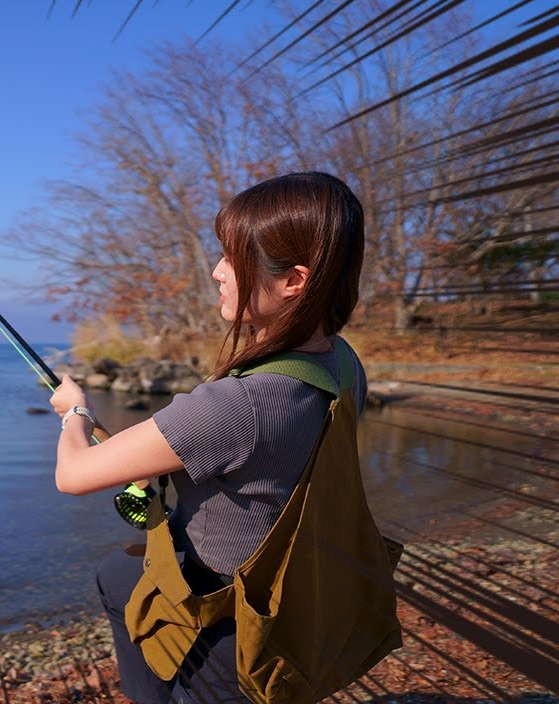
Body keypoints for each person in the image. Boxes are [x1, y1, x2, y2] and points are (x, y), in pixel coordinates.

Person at [48, 171, 369, 704]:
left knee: (127, 585)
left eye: (232, 259)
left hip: (231, 616)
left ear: (294, 281)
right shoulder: (341, 361)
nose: (218, 271)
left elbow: (73, 475)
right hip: (300, 582)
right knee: (120, 574)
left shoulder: (237, 403)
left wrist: (75, 411)